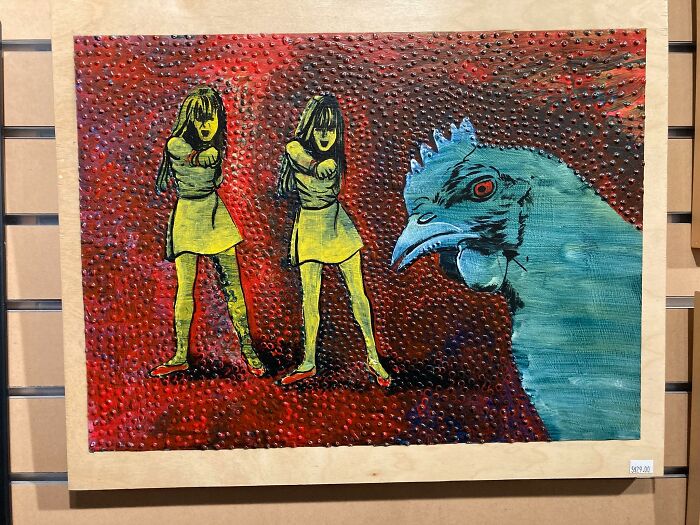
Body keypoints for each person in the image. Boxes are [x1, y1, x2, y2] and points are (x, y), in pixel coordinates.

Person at [150, 85, 265, 378]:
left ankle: (248, 349)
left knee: (233, 287)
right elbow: (199, 158)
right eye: (199, 119)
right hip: (188, 216)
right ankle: (180, 354)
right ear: (188, 120)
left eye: (210, 119)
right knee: (185, 289)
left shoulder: (214, 148)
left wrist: (211, 154)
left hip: (214, 214)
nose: (205, 125)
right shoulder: (176, 144)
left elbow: (212, 165)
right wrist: (207, 155)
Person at [278, 93, 391, 387]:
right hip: (310, 226)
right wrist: (315, 167)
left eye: (330, 128)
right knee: (310, 298)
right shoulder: (296, 148)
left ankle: (373, 357)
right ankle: (308, 361)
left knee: (358, 294)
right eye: (319, 128)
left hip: (336, 222)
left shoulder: (335, 157)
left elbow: (324, 167)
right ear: (309, 128)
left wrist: (321, 166)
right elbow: (296, 153)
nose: (325, 134)